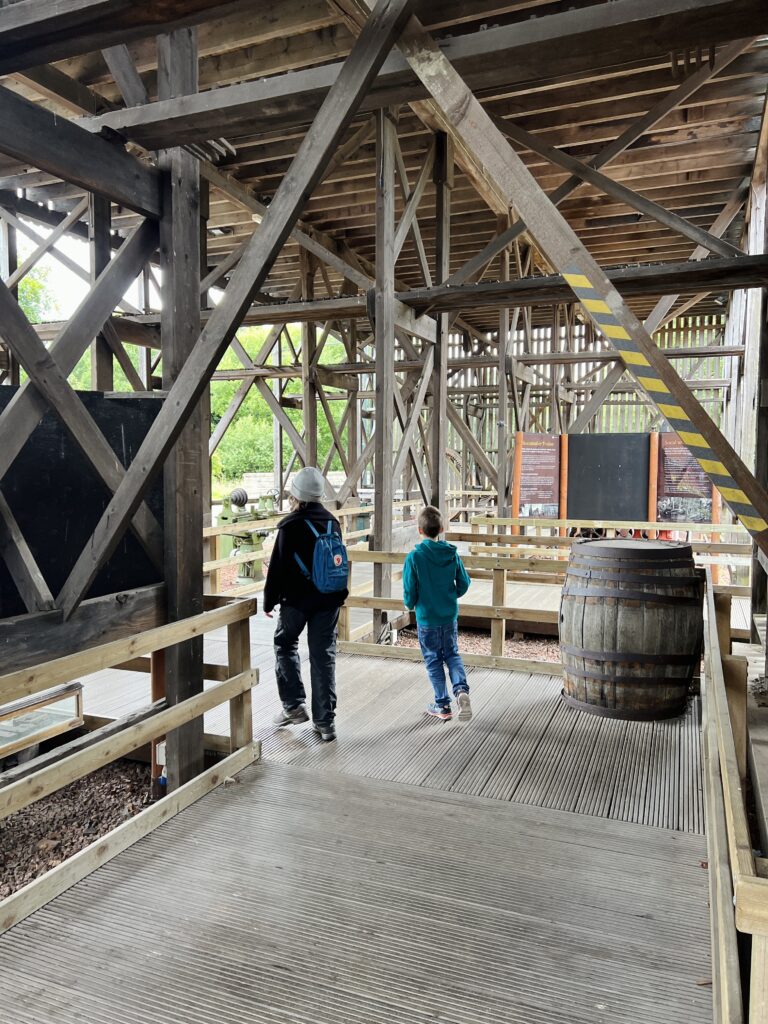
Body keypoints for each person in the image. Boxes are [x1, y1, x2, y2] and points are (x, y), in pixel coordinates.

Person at [263, 467, 348, 742]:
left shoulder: (290, 525)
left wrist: (269, 600)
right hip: (328, 600)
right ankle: (326, 723)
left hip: (296, 602)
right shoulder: (332, 523)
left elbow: (277, 567)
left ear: (296, 495)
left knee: (285, 643)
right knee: (323, 656)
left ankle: (293, 706)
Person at [403, 505, 473, 722]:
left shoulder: (414, 557)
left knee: (433, 660)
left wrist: (410, 604)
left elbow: (409, 590)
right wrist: (452, 595)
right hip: (448, 616)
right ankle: (461, 690)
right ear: (442, 528)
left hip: (427, 618)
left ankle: (442, 705)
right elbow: (464, 583)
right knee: (452, 654)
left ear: (419, 530)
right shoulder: (452, 554)